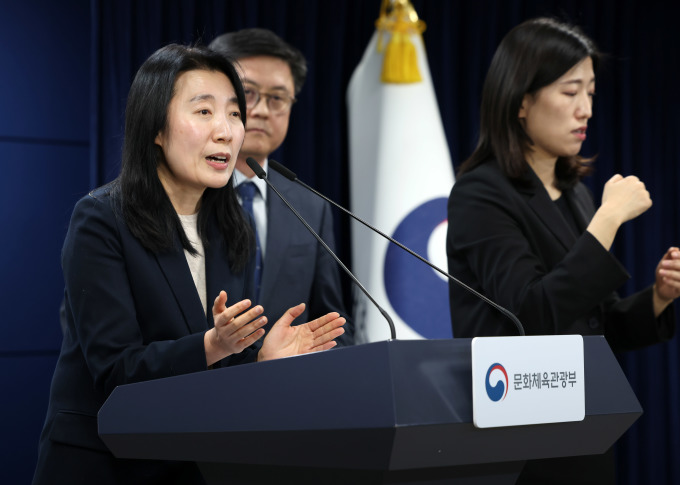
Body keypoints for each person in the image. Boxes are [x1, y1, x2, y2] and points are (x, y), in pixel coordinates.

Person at [32, 44, 345, 485]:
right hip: (106, 463)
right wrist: (215, 344)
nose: (226, 131)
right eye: (204, 112)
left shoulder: (231, 228)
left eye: (233, 113)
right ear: (156, 128)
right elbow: (116, 370)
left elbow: (218, 373)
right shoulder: (102, 219)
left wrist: (262, 360)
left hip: (192, 463)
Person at [446, 17, 679, 485]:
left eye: (590, 92)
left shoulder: (575, 192)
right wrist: (609, 220)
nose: (586, 109)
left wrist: (659, 297)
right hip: (515, 439)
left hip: (581, 428)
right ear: (521, 100)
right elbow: (531, 312)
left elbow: (597, 324)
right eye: (570, 92)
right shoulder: (480, 192)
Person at [209, 28, 354, 345]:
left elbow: (330, 323)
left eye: (276, 98)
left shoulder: (311, 208)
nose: (261, 110)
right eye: (247, 93)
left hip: (291, 375)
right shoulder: (186, 193)